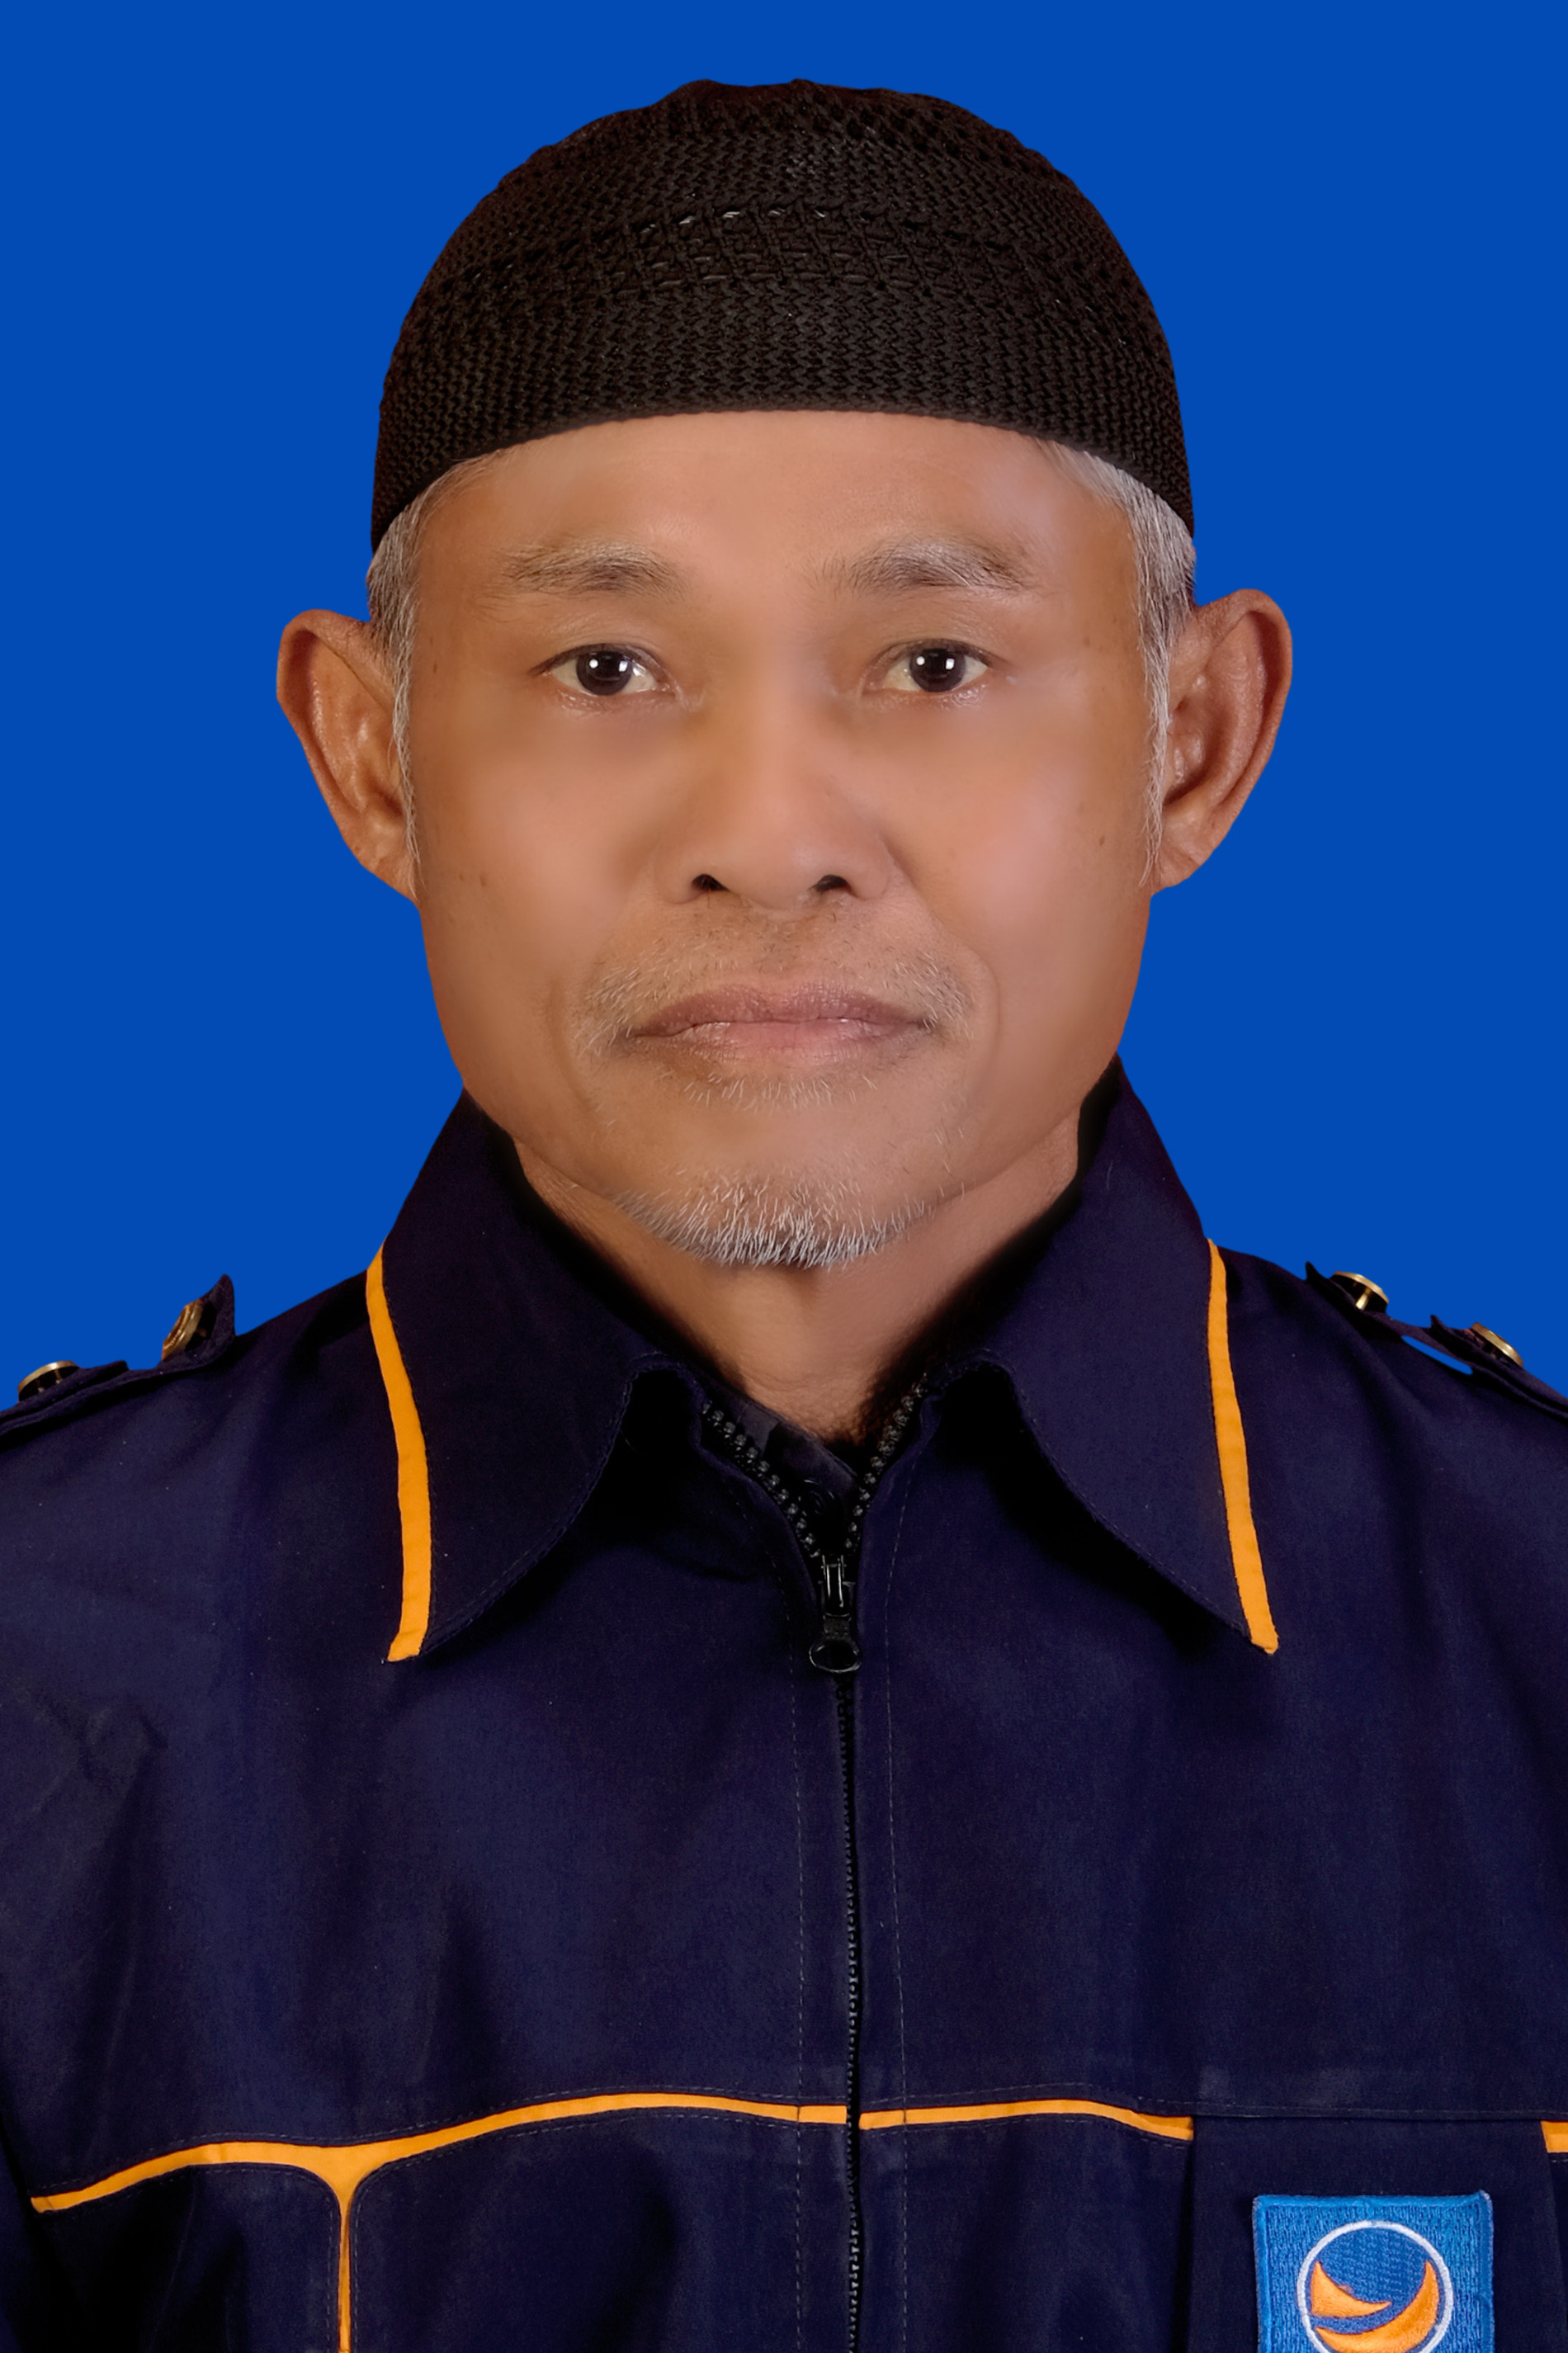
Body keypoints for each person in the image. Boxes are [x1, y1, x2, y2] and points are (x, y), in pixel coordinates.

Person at [1, 76, 1564, 2353]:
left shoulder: (1535, 1624)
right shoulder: (44, 1675)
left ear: (1193, 741)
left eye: (932, 664)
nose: (768, 832)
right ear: (372, 756)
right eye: (606, 670)